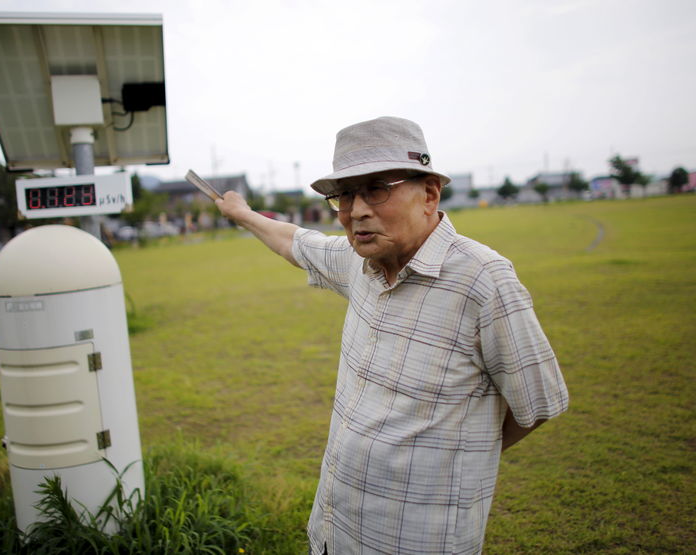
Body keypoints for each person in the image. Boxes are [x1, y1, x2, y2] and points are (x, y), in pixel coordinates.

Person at [215, 116, 568, 554]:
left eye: (377, 188)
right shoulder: (357, 261)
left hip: (420, 540)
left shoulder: (482, 280)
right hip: (334, 531)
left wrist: (451, 461)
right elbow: (296, 242)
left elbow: (537, 404)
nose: (356, 210)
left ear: (429, 194)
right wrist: (242, 213)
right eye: (344, 195)